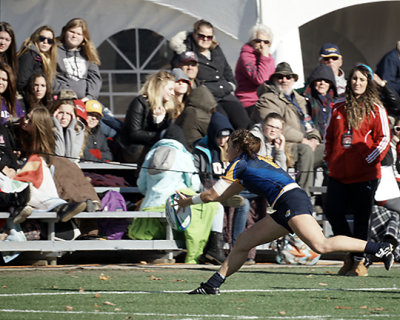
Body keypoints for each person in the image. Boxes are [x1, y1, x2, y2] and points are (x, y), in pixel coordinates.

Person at [176, 129, 395, 295]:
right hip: (286, 203)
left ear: (236, 147)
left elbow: (213, 195)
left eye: (228, 145)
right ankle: (212, 285)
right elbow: (223, 195)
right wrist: (195, 201)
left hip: (291, 200)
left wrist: (188, 202)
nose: (225, 148)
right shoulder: (253, 163)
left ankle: (380, 248)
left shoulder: (239, 164)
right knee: (244, 241)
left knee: (321, 245)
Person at [324, 64, 391, 276]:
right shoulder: (338, 106)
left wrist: (368, 159)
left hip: (365, 175)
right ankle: (350, 255)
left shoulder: (376, 108)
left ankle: (361, 261)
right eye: (354, 79)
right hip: (338, 173)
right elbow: (329, 137)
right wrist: (329, 159)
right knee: (332, 212)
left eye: (362, 79)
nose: (357, 83)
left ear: (368, 82)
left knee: (363, 219)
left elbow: (384, 138)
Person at [129, 124, 224, 264]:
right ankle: (215, 249)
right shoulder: (183, 155)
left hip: (149, 207)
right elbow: (194, 184)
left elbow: (141, 186)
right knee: (216, 207)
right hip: (174, 205)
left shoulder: (151, 154)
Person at [252, 62, 324, 195]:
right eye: (280, 77)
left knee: (332, 150)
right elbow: (274, 127)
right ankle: (303, 197)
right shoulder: (267, 99)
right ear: (273, 80)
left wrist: (314, 137)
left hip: (305, 143)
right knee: (305, 150)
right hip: (280, 146)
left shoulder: (300, 100)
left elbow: (309, 123)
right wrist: (303, 140)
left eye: (288, 77)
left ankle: (331, 202)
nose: (284, 80)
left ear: (294, 80)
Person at [170, 19, 250, 130]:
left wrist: (231, 85)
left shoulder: (216, 50)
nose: (205, 39)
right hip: (207, 96)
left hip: (225, 93)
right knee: (222, 125)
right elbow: (180, 71)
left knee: (244, 122)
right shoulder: (187, 53)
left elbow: (227, 70)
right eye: (202, 36)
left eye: (209, 37)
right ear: (195, 35)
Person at [193, 112, 250, 263]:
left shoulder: (234, 148)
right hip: (210, 190)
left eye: (226, 137)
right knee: (216, 205)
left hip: (230, 190)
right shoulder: (202, 148)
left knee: (244, 204)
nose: (222, 141)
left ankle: (236, 248)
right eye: (219, 137)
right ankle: (215, 248)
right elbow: (195, 174)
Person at [116, 71, 175, 164]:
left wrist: (159, 122)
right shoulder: (140, 103)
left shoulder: (167, 108)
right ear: (160, 87)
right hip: (133, 150)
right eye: (170, 89)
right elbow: (134, 134)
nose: (173, 93)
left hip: (154, 150)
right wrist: (159, 135)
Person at [173, 51, 217, 151]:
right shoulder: (170, 95)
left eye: (193, 65)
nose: (190, 68)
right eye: (186, 64)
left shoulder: (203, 91)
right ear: (179, 66)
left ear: (197, 68)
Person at [54, 18, 102, 101]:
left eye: (79, 34)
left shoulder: (88, 53)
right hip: (62, 99)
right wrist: (67, 95)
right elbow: (50, 77)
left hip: (86, 100)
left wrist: (89, 97)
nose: (74, 36)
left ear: (84, 37)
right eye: (72, 32)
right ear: (65, 32)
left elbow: (95, 79)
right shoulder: (54, 51)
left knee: (107, 114)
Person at [235, 23, 275, 117]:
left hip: (267, 100)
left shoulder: (269, 58)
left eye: (266, 42)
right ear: (252, 41)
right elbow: (260, 80)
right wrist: (264, 57)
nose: (262, 45)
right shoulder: (246, 57)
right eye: (258, 41)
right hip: (249, 102)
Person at [17, 25, 57, 93]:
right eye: (42, 38)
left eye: (49, 40)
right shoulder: (29, 55)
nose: (45, 42)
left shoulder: (47, 59)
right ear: (35, 38)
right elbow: (21, 83)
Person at [303, 64, 338, 139]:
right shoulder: (306, 100)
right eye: (319, 80)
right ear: (313, 82)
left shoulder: (337, 102)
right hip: (314, 139)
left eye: (326, 81)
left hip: (334, 140)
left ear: (331, 84)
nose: (322, 83)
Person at [51, 90, 86, 162]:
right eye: (60, 113)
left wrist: (70, 129)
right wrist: (58, 128)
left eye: (68, 114)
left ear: (73, 116)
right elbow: (59, 155)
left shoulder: (78, 131)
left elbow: (70, 159)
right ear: (54, 113)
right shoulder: (48, 129)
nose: (64, 117)